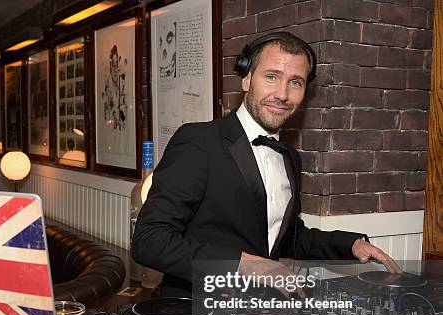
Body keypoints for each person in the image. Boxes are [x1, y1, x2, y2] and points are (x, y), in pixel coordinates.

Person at [132, 32, 401, 298]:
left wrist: (349, 244)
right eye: (271, 77)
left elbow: (285, 236)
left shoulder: (291, 157)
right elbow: (149, 241)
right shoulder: (198, 141)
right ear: (247, 78)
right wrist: (243, 264)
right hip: (196, 313)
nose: (283, 94)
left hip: (259, 313)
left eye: (295, 82)